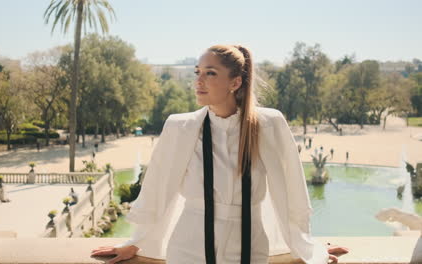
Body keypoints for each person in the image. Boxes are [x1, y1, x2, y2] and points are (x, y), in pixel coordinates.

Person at [91, 45, 348, 263]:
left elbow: (292, 190)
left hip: (250, 246)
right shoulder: (179, 126)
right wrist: (136, 242)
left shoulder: (270, 124)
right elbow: (158, 187)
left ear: (235, 82)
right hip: (188, 247)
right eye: (197, 72)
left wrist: (307, 245)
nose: (198, 81)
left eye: (210, 73)